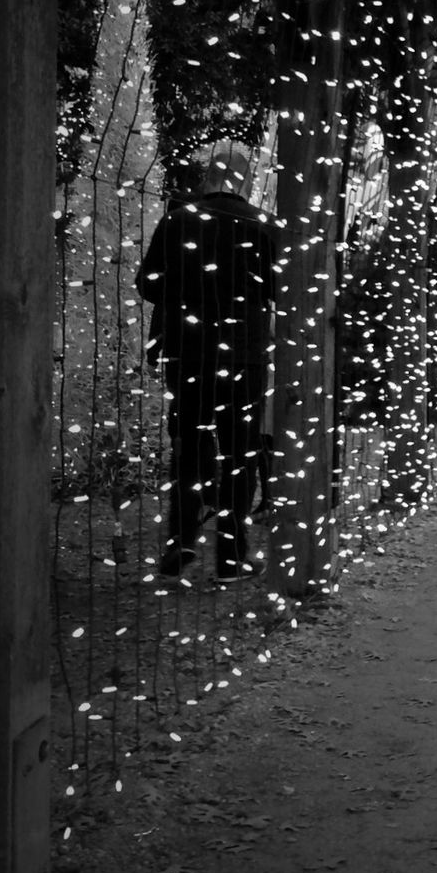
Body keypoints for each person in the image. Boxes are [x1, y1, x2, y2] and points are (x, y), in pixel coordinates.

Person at [139, 146, 277, 581]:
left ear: (206, 177)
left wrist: (186, 292)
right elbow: (278, 289)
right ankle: (231, 558)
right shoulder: (262, 224)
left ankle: (180, 543)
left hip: (189, 354)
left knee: (189, 449)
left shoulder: (177, 220)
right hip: (243, 355)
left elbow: (147, 284)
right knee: (240, 452)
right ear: (244, 178)